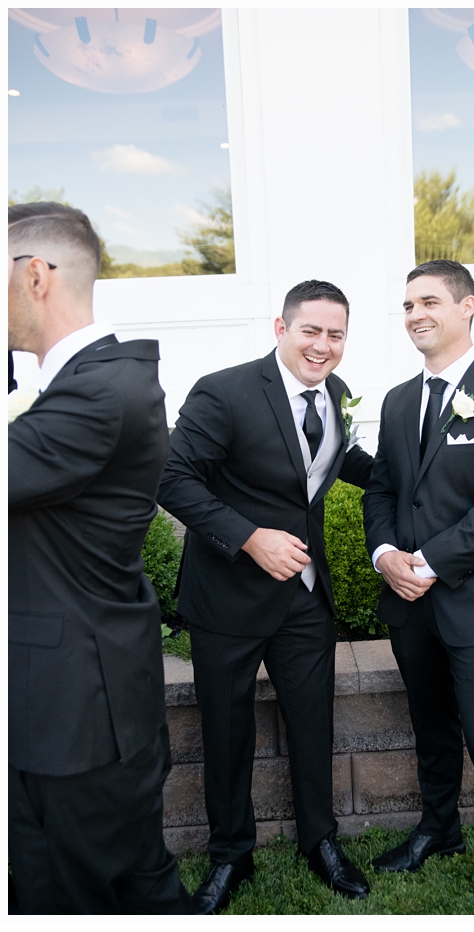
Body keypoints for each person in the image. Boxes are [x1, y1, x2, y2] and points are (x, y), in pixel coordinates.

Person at [158, 280, 374, 913]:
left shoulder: (333, 393)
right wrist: (249, 538)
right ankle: (231, 854)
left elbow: (331, 462)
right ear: (280, 329)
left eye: (335, 334)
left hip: (304, 597)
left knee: (314, 726)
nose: (323, 345)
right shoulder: (223, 390)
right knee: (226, 734)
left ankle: (320, 841)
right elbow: (172, 478)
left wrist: (415, 470)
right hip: (227, 598)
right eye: (311, 330)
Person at [8, 202, 192, 915]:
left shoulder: (98, 393)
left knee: (71, 895)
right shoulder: (88, 381)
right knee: (132, 884)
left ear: (34, 277)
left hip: (73, 713)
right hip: (79, 691)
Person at [363, 259, 474, 916]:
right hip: (410, 606)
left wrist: (428, 563)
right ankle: (439, 830)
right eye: (408, 305)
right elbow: (382, 486)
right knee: (431, 727)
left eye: (429, 301)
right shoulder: (397, 400)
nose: (415, 315)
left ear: (467, 306)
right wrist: (385, 553)